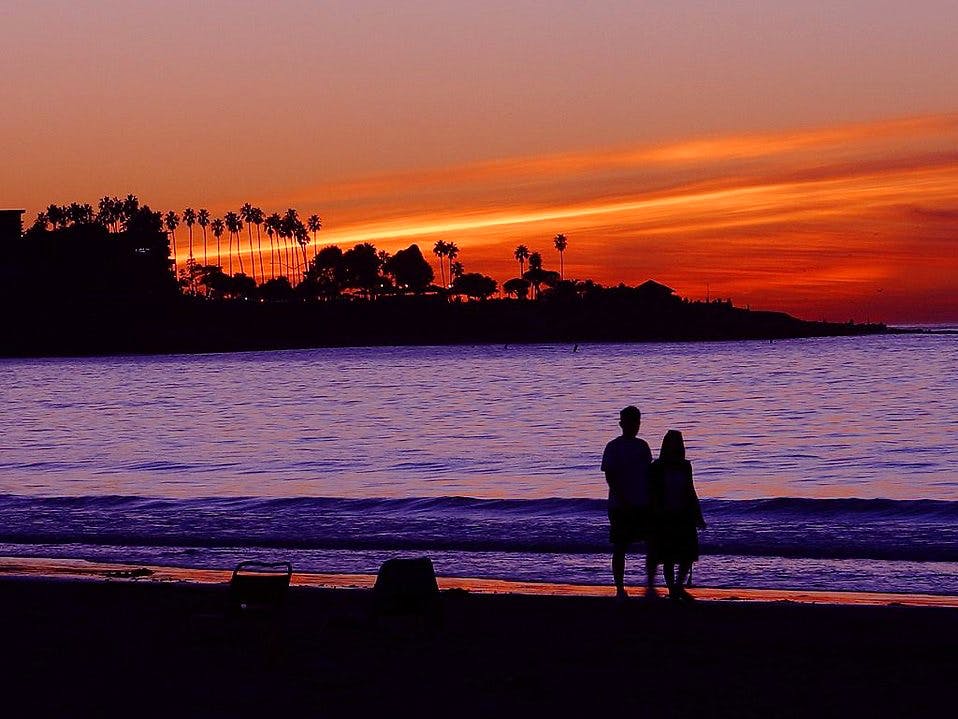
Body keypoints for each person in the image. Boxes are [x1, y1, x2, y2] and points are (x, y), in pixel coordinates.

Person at [601, 405, 655, 599]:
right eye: (630, 422)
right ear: (621, 424)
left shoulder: (642, 446)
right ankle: (619, 588)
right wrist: (622, 498)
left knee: (651, 544)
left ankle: (649, 585)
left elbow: (649, 475)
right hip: (619, 505)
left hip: (642, 503)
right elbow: (610, 476)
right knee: (620, 547)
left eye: (636, 422)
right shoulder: (613, 447)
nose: (634, 426)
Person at [650, 430, 706, 601]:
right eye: (672, 442)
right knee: (667, 555)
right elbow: (652, 493)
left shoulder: (685, 465)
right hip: (664, 515)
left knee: (687, 554)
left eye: (677, 442)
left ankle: (678, 586)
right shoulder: (657, 467)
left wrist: (698, 514)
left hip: (684, 513)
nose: (675, 445)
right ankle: (672, 589)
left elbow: (691, 490)